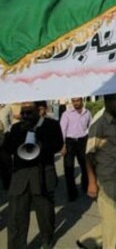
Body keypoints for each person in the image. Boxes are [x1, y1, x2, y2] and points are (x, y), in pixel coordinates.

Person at [5, 101, 63, 249]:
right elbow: (8, 148)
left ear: (38, 110)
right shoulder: (17, 127)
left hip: (43, 175)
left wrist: (41, 142)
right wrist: (18, 134)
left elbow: (58, 144)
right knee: (16, 217)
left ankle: (47, 240)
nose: (25, 115)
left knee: (45, 215)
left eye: (29, 112)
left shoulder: (51, 125)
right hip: (20, 177)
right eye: (23, 113)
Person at [78, 93, 116, 249]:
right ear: (108, 102)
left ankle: (87, 240)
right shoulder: (98, 125)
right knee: (111, 222)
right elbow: (89, 154)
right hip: (105, 179)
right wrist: (92, 182)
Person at [60, 97, 92, 202]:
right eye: (73, 101)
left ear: (82, 101)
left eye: (77, 101)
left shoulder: (87, 113)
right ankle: (72, 193)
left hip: (82, 141)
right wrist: (63, 145)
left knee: (85, 166)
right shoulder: (67, 114)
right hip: (70, 142)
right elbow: (62, 130)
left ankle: (86, 187)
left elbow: (90, 127)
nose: (76, 103)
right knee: (69, 168)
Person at [0, 103, 13, 190]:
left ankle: (8, 185)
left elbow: (11, 122)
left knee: (6, 162)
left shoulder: (7, 107)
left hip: (5, 137)